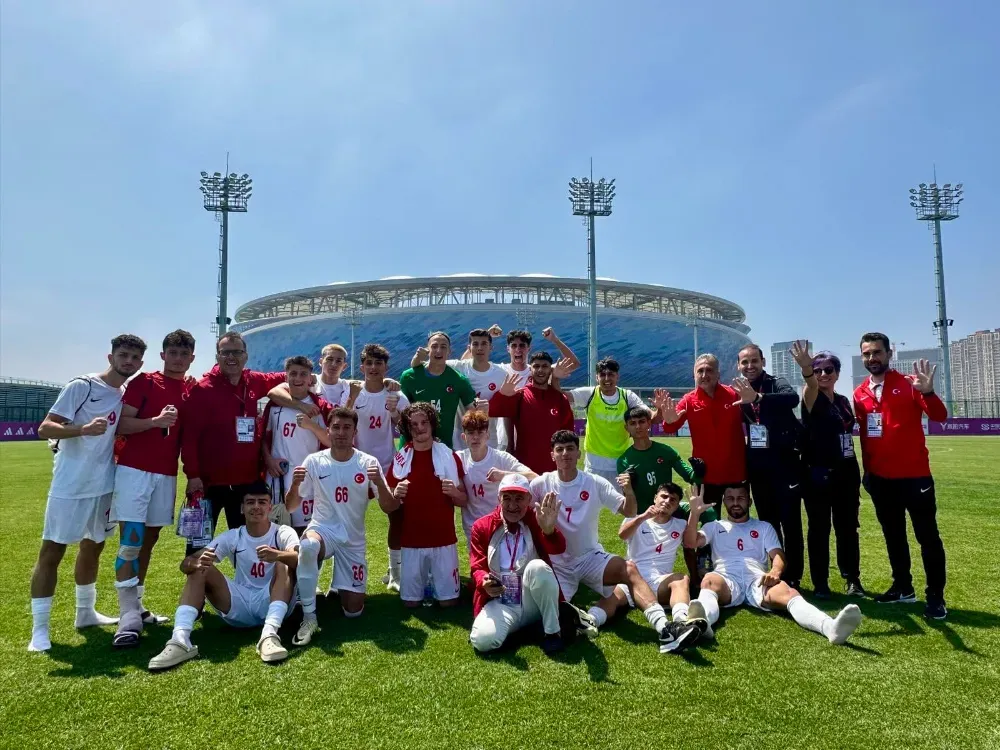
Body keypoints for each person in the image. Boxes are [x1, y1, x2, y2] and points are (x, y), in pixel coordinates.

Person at [529, 431, 700, 654]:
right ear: (552, 455)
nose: (565, 454)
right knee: (546, 615)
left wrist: (628, 491)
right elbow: (517, 507)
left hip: (590, 557)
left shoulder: (593, 482)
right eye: (559, 450)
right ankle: (580, 619)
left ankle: (665, 628)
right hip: (557, 564)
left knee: (628, 568)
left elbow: (628, 510)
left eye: (570, 448)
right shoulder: (541, 484)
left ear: (579, 453)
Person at [29, 334, 147, 653]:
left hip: (104, 485)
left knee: (93, 548)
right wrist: (81, 429)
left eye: (135, 358)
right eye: (123, 355)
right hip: (71, 485)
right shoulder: (82, 386)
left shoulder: (125, 393)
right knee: (52, 552)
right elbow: (45, 428)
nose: (129, 362)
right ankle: (40, 629)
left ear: (141, 363)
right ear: (110, 357)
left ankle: (85, 613)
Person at [683, 484, 863, 646]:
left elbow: (777, 555)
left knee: (789, 593)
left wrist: (775, 572)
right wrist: (694, 514)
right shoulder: (714, 526)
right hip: (726, 577)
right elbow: (690, 543)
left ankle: (830, 628)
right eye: (730, 498)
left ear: (750, 501)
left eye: (741, 498)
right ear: (724, 502)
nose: (735, 502)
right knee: (709, 581)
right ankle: (702, 622)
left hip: (757, 579)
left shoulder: (763, 527)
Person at [147, 481, 299, 670]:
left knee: (283, 563)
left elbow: (299, 560)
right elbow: (186, 564)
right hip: (240, 604)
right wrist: (196, 563)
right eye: (250, 502)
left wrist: (277, 555)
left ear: (270, 506)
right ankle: (180, 640)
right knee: (202, 567)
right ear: (242, 508)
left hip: (271, 599)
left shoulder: (283, 532)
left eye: (262, 502)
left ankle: (269, 634)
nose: (256, 507)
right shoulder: (234, 536)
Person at [110, 330, 196, 647]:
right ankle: (127, 618)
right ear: (163, 356)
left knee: (149, 539)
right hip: (134, 470)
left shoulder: (190, 389)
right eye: (172, 353)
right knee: (131, 541)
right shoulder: (144, 382)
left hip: (166, 474)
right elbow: (121, 424)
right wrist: (155, 422)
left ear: (191, 359)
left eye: (183, 354)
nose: (177, 359)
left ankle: (137, 606)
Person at [853, 332, 949, 619]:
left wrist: (928, 392)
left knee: (927, 537)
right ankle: (903, 587)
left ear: (889, 353)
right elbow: (866, 437)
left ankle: (935, 597)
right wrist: (868, 474)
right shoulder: (860, 393)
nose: (872, 358)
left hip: (915, 477)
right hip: (881, 480)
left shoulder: (910, 384)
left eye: (877, 352)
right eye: (867, 353)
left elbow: (939, 416)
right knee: (893, 536)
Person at [284, 407, 394, 645]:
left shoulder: (368, 462)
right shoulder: (314, 461)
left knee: (353, 612)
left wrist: (380, 484)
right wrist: (294, 485)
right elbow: (291, 506)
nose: (341, 432)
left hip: (353, 539)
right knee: (309, 545)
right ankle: (309, 618)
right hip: (324, 529)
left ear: (355, 432)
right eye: (336, 427)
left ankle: (337, 587)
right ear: (328, 430)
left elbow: (389, 507)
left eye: (347, 428)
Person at [180, 332, 287, 553]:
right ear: (217, 357)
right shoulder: (202, 389)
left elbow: (285, 376)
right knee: (196, 546)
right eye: (225, 352)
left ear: (246, 355)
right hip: (206, 486)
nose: (231, 357)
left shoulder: (254, 381)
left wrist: (312, 378)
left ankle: (245, 587)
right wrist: (193, 476)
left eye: (236, 352)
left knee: (247, 547)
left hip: (245, 485)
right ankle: (198, 587)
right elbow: (189, 438)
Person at [469, 476, 580, 655]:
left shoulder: (537, 520)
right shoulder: (482, 526)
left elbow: (558, 548)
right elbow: (477, 566)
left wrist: (549, 530)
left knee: (537, 567)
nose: (513, 505)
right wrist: (484, 582)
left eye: (519, 498)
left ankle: (552, 632)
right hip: (502, 598)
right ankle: (532, 628)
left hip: (533, 596)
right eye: (507, 498)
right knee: (482, 641)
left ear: (529, 500)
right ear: (499, 499)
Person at [790, 341, 865, 598]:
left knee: (847, 529)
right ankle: (821, 583)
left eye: (828, 369)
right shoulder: (810, 395)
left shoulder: (844, 401)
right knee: (819, 529)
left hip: (846, 474)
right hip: (817, 475)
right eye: (818, 369)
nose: (823, 374)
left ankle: (852, 578)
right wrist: (806, 370)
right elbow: (810, 386)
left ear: (837, 373)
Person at [734, 343, 804, 588]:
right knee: (769, 524)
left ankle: (794, 575)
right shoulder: (738, 390)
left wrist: (758, 398)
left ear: (763, 362)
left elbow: (793, 398)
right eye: (745, 362)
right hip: (758, 468)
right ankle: (777, 572)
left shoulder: (776, 383)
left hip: (785, 466)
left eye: (754, 361)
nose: (750, 366)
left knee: (791, 523)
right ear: (738, 365)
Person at [385, 403, 468, 607]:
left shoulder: (448, 456)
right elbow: (388, 506)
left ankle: (441, 582)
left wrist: (455, 492)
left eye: (424, 422)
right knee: (410, 604)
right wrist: (395, 495)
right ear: (407, 428)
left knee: (449, 603)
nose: (420, 428)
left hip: (444, 539)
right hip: (411, 541)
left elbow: (463, 500)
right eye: (413, 424)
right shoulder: (400, 458)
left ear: (432, 425)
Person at [658, 353, 746, 515]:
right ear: (694, 375)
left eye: (709, 370)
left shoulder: (734, 395)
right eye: (700, 371)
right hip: (706, 476)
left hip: (735, 473)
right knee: (710, 525)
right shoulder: (688, 400)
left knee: (739, 520)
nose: (704, 375)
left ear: (718, 374)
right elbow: (670, 428)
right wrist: (669, 420)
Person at [261, 356, 333, 535]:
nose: (298, 378)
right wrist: (269, 460)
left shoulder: (320, 406)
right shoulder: (274, 404)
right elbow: (263, 437)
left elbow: (330, 441)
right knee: (275, 530)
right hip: (277, 476)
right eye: (293, 373)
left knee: (305, 531)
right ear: (286, 377)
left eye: (303, 374)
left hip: (306, 475)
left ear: (311, 379)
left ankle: (304, 564)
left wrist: (311, 425)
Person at [611, 483, 693, 626]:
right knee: (609, 598)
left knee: (681, 579)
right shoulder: (637, 519)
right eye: (664, 496)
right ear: (655, 498)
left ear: (677, 505)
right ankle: (591, 619)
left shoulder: (680, 525)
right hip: (632, 579)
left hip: (660, 581)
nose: (667, 501)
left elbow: (691, 544)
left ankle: (682, 621)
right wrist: (643, 517)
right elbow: (622, 535)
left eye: (672, 500)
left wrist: (695, 513)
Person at [415, 327, 506, 449]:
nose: (479, 348)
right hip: (460, 440)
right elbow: (419, 368)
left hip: (489, 438)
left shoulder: (501, 374)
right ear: (469, 348)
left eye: (484, 344)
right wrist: (384, 380)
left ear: (491, 347)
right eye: (475, 344)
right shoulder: (457, 368)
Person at [457, 410, 536, 549]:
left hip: (499, 524)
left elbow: (534, 476)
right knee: (478, 569)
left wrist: (504, 475)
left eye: (480, 432)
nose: (475, 437)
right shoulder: (458, 458)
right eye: (470, 433)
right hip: (472, 527)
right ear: (464, 437)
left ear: (487, 435)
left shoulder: (500, 458)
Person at [488, 352, 576, 474]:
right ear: (530, 369)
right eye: (536, 366)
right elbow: (492, 411)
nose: (540, 370)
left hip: (554, 468)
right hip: (525, 467)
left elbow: (569, 433)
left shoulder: (560, 399)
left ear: (550, 370)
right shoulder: (520, 395)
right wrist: (502, 394)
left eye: (545, 366)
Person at [564, 357, 650, 483]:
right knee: (594, 502)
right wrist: (554, 377)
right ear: (596, 377)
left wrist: (659, 410)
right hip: (595, 462)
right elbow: (561, 397)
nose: (606, 378)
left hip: (621, 461)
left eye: (610, 374)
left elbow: (649, 415)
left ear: (617, 376)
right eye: (602, 374)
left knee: (621, 501)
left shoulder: (627, 396)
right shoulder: (590, 394)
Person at [401, 331, 477, 448]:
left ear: (449, 351)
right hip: (411, 446)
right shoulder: (409, 377)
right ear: (428, 350)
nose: (438, 351)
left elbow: (472, 411)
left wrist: (481, 409)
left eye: (443, 347)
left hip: (442, 447)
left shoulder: (459, 380)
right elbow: (401, 411)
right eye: (434, 346)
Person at [616, 406, 696, 513]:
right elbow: (628, 499)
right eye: (633, 423)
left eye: (642, 421)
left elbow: (689, 476)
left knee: (707, 511)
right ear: (627, 428)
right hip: (643, 515)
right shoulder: (623, 461)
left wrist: (698, 472)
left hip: (668, 510)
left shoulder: (665, 451)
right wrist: (628, 486)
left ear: (649, 423)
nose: (638, 426)